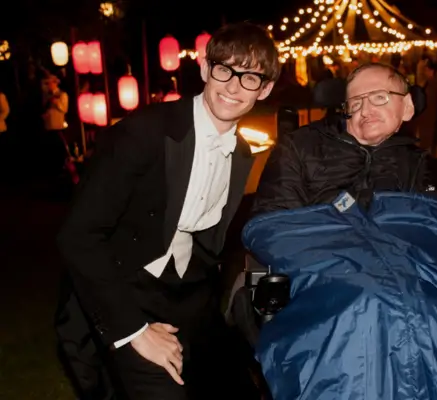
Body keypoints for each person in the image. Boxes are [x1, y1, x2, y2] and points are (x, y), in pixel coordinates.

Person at [56, 22, 280, 399]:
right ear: (206, 69)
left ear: (265, 89)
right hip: (120, 289)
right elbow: (78, 236)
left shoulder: (242, 154)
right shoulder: (141, 134)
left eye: (250, 77)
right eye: (225, 69)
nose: (233, 86)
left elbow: (209, 246)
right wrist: (135, 331)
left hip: (188, 298)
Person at [252, 62, 434, 216]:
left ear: (408, 107)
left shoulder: (416, 162)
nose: (365, 110)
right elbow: (275, 227)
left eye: (379, 97)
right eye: (356, 103)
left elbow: (430, 231)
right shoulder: (298, 149)